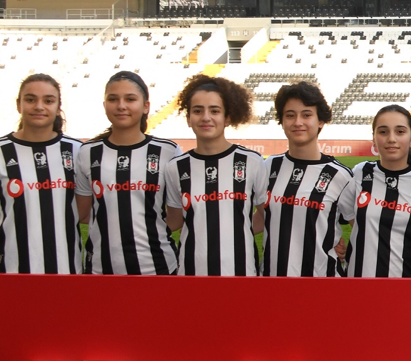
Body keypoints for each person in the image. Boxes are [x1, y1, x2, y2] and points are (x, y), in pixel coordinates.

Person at [0, 73, 90, 311]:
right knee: (18, 346)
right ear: (19, 104)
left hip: (68, 272)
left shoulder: (77, 150)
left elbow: (83, 211)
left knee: (65, 345)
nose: (39, 106)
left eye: (48, 100)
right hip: (13, 273)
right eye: (30, 99)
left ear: (58, 107)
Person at [78, 71, 182, 276]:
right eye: (113, 99)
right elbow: (83, 213)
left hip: (158, 268)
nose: (121, 106)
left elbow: (177, 215)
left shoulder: (168, 151)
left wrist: (145, 231)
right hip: (100, 269)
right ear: (105, 104)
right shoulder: (87, 153)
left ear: (146, 106)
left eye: (130, 99)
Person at [170, 74, 267, 277]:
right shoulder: (176, 168)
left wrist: (235, 231)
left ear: (228, 117)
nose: (206, 117)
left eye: (215, 111)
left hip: (242, 273)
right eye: (197, 111)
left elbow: (266, 215)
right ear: (188, 119)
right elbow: (175, 220)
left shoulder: (252, 162)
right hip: (191, 274)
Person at [260, 81, 353, 277]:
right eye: (290, 115)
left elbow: (366, 227)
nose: (298, 122)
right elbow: (262, 216)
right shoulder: (268, 167)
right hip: (272, 282)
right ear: (282, 121)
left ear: (320, 121)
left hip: (322, 285)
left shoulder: (341, 175)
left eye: (307, 115)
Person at [341, 105, 411, 278]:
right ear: (373, 138)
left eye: (400, 132)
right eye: (383, 132)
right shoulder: (360, 173)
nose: (391, 139)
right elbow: (351, 216)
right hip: (360, 283)